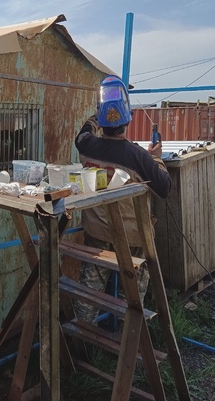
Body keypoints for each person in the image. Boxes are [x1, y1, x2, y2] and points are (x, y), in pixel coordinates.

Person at [73, 75, 171, 324]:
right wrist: (157, 158)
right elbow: (164, 188)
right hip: (132, 237)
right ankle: (134, 335)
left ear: (100, 119)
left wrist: (99, 113)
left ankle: (82, 341)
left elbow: (84, 131)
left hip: (96, 231)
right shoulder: (138, 156)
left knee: (90, 289)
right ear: (127, 118)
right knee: (135, 291)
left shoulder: (86, 146)